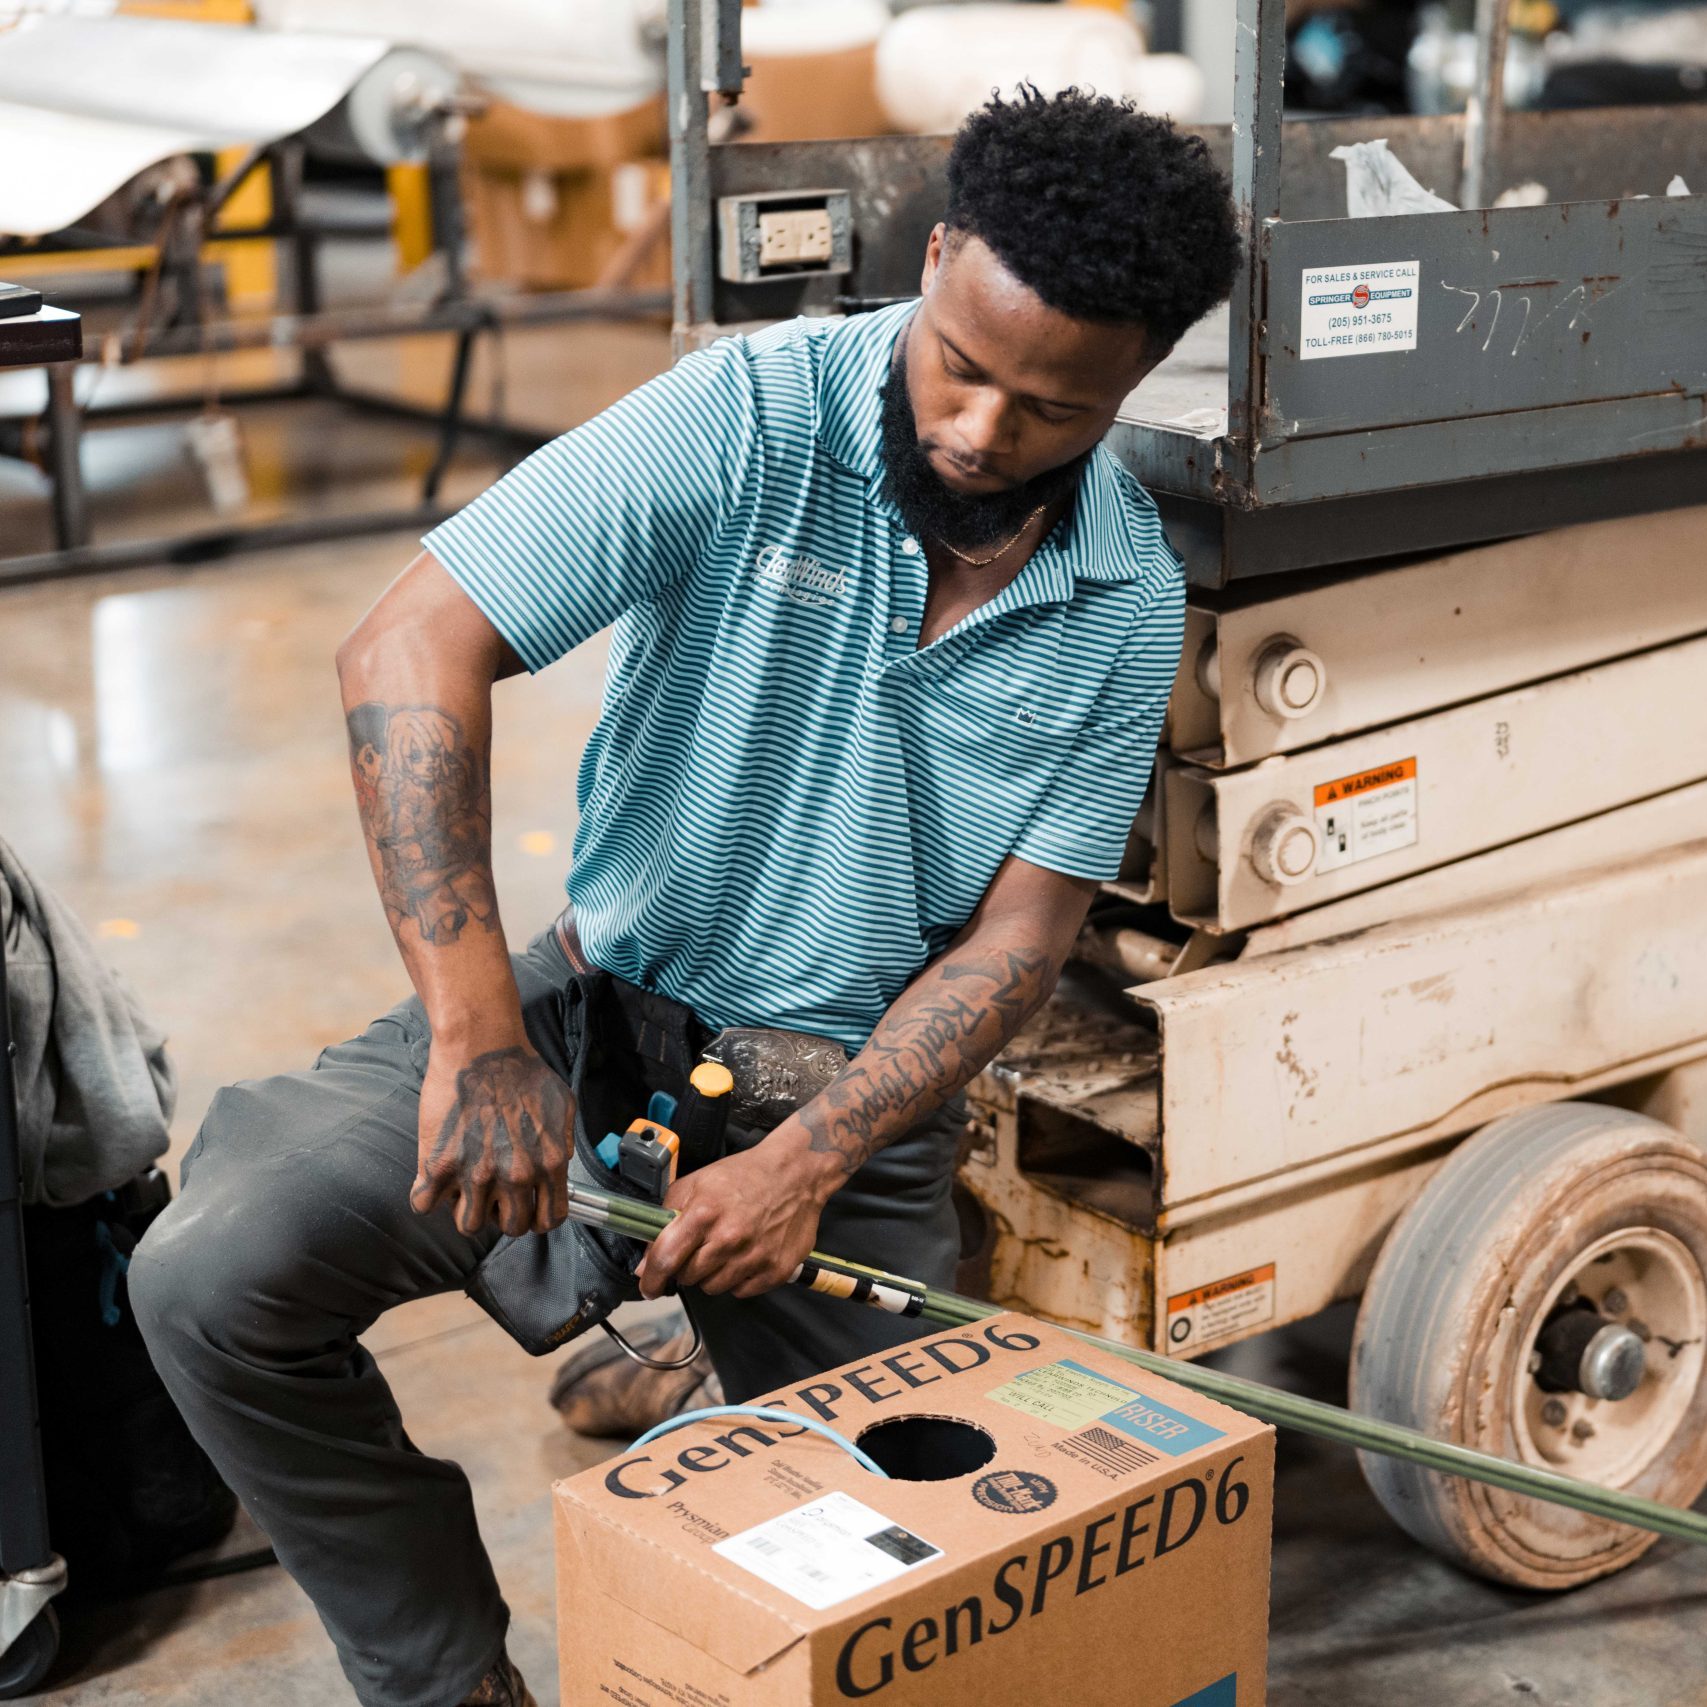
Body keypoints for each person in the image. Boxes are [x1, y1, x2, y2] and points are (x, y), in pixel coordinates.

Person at [130, 87, 1239, 1707]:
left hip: (841, 1118)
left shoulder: (1125, 595)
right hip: (589, 1033)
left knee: (919, 1565)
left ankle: (685, 1358)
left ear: (1131, 382)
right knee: (210, 1274)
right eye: (962, 366)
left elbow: (1018, 942)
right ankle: (444, 1680)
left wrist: (810, 1160)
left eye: (1052, 409)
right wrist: (479, 1033)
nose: (983, 435)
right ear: (931, 261)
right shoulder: (744, 414)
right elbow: (408, 641)